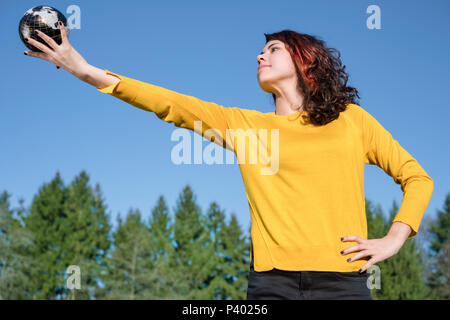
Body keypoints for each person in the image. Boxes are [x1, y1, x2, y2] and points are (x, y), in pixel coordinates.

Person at [24, 24, 434, 300]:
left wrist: (395, 237)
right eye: (260, 51)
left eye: (273, 49)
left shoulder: (351, 122)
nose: (260, 56)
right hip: (271, 285)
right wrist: (83, 70)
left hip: (344, 283)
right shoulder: (244, 127)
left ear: (306, 61)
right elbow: (170, 104)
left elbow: (416, 177)